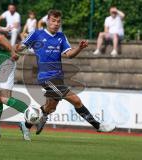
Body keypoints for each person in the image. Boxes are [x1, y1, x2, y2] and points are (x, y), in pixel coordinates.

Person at [15, 10, 116, 139]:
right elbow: (19, 47)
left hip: (58, 77)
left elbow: (69, 55)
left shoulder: (61, 37)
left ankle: (27, 125)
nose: (56, 24)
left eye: (58, 21)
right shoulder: (36, 34)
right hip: (46, 77)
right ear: (47, 21)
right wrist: (19, 47)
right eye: (53, 21)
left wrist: (79, 48)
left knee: (51, 107)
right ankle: (98, 126)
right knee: (76, 100)